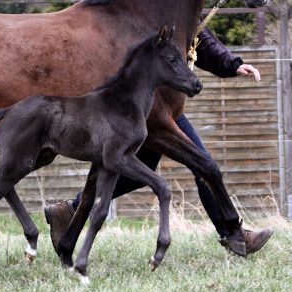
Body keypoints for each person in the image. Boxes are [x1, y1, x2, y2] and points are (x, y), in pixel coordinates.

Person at [44, 23, 274, 256]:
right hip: (142, 108)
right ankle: (234, 233)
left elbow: (197, 34)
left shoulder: (177, 11)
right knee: (203, 164)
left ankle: (69, 211)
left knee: (141, 174)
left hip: (160, 106)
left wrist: (232, 64)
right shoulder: (147, 11)